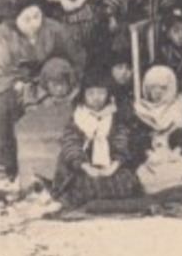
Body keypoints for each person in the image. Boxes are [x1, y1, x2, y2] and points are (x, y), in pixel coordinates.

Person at [0, 0, 81, 181]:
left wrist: (64, 77)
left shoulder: (54, 30)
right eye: (27, 19)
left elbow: (74, 58)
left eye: (37, 16)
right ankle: (2, 160)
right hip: (16, 83)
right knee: (2, 103)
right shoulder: (5, 36)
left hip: (50, 80)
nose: (34, 23)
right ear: (15, 19)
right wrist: (16, 82)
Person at [53, 64, 142, 208]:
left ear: (108, 94)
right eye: (91, 93)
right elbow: (71, 145)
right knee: (81, 186)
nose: (96, 98)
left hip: (110, 166)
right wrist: (87, 167)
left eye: (101, 93)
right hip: (83, 167)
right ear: (84, 95)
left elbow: (122, 142)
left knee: (124, 183)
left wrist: (113, 166)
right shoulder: (78, 117)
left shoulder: (114, 116)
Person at [132, 64, 182, 197]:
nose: (157, 92)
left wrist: (178, 150)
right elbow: (138, 137)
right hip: (153, 155)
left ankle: (178, 187)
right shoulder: (141, 109)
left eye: (162, 88)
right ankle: (158, 190)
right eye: (153, 88)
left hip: (173, 153)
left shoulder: (179, 108)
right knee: (146, 173)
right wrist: (148, 153)